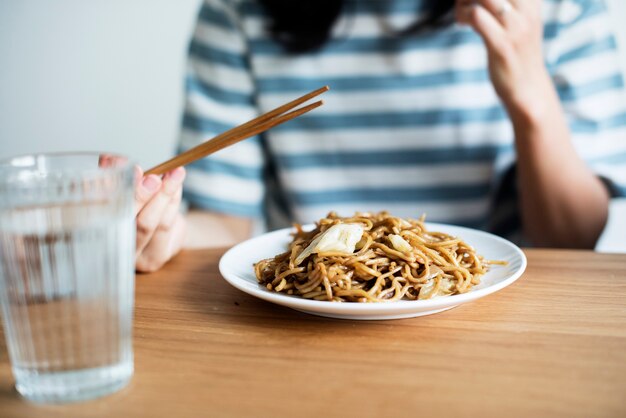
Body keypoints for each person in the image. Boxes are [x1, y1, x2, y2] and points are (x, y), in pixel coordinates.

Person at [134, 0, 626, 272]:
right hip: (303, 314)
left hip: (502, 316)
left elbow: (572, 239)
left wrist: (532, 98)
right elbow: (225, 223)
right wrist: (163, 232)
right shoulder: (238, 12)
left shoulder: (563, 10)